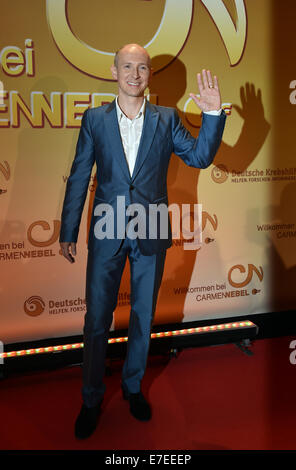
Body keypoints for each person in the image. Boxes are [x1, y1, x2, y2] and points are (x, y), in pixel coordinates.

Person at [59, 43, 226, 439]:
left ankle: (133, 387)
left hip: (151, 227)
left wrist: (213, 114)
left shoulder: (166, 119)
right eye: (128, 67)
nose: (135, 74)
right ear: (115, 72)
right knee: (96, 320)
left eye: (143, 68)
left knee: (142, 316)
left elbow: (201, 157)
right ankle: (91, 397)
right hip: (106, 228)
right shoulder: (94, 120)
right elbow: (80, 175)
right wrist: (68, 230)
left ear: (150, 75)